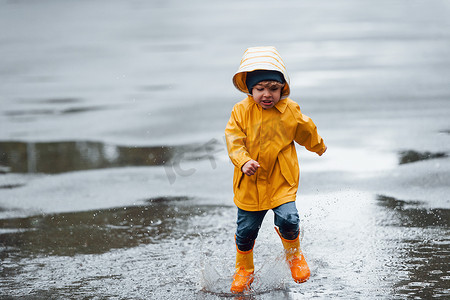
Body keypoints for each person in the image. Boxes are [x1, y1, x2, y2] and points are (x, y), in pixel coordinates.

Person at [225, 46, 327, 293]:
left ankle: (294, 256)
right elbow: (233, 139)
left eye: (273, 88)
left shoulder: (290, 109)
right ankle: (244, 269)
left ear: (283, 87)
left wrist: (318, 146)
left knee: (289, 219)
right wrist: (243, 160)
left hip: (281, 179)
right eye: (260, 89)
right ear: (250, 89)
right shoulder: (241, 111)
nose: (267, 94)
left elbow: (305, 129)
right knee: (246, 230)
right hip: (250, 182)